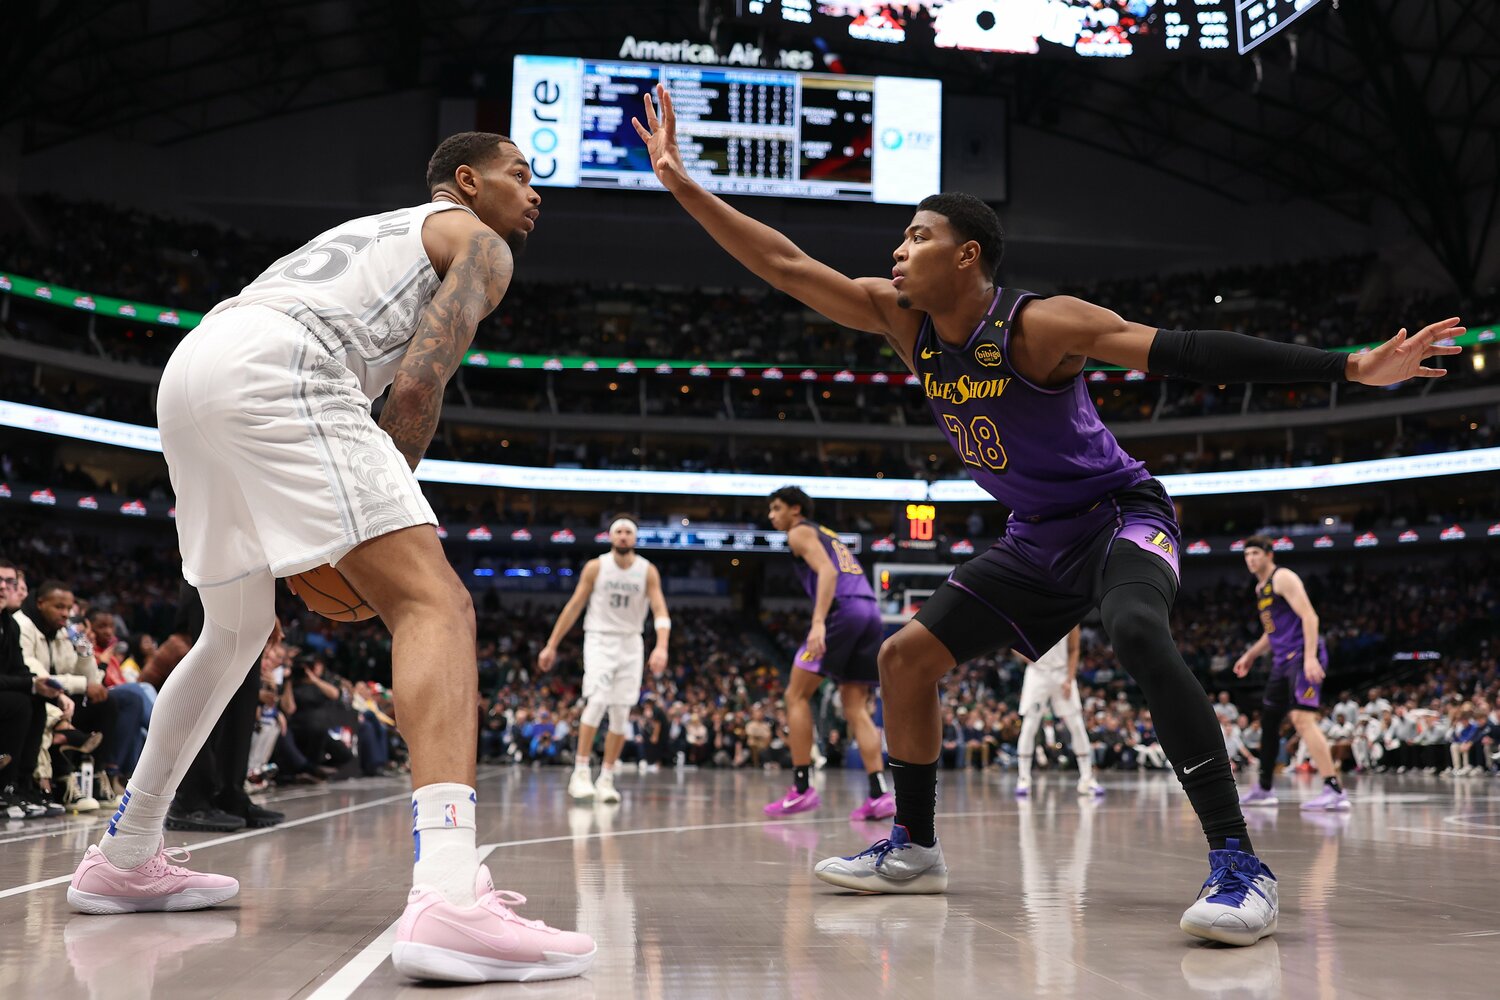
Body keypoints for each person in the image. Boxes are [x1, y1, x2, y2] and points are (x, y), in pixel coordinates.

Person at [632, 82, 1460, 946]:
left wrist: (1351, 368)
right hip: (1035, 540)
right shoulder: (901, 320)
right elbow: (786, 265)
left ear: (969, 257)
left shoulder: (1042, 326)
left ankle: (1240, 864)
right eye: (903, 235)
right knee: (904, 658)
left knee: (1138, 631)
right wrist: (683, 184)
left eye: (920, 235)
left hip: (1119, 516)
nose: (899, 249)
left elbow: (1183, 352)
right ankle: (913, 846)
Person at [65, 131, 595, 983]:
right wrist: (380, 515)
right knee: (436, 602)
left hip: (195, 366)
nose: (535, 195)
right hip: (285, 368)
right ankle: (452, 897)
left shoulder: (376, 229)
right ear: (466, 181)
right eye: (521, 176)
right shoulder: (480, 241)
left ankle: (126, 852)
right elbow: (419, 384)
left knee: (234, 632)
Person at [763, 486, 892, 821]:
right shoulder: (829, 535)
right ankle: (880, 794)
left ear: (795, 510)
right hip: (870, 613)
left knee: (795, 695)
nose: (771, 515)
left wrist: (818, 621)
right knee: (855, 707)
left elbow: (829, 572)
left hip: (842, 614)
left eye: (776, 508)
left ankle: (802, 789)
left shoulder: (799, 532)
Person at [539, 517, 670, 804]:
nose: (623, 537)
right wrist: (552, 644)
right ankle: (581, 772)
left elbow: (660, 610)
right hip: (599, 638)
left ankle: (607, 777)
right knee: (597, 702)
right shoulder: (596, 567)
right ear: (611, 537)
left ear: (634, 539)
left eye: (628, 532)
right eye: (618, 532)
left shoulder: (647, 571)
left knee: (622, 712)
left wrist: (661, 646)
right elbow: (574, 606)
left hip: (631, 641)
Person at [1234, 536, 1350, 811]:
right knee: (1269, 721)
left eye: (1255, 553)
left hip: (1302, 656)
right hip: (1281, 660)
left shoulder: (1283, 577)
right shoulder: (1260, 588)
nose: (1250, 558)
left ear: (1269, 554)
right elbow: (1271, 632)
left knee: (1301, 718)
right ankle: (1264, 788)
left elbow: (1310, 617)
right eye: (1247, 554)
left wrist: (1310, 657)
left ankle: (1334, 789)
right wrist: (1250, 655)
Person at [1014, 627, 1104, 798]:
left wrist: (1069, 678)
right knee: (1029, 725)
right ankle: (1023, 778)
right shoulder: (1030, 607)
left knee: (1077, 725)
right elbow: (1012, 642)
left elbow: (1074, 649)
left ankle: (1087, 778)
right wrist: (1027, 657)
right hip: (1037, 673)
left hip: (1062, 673)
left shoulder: (1071, 610)